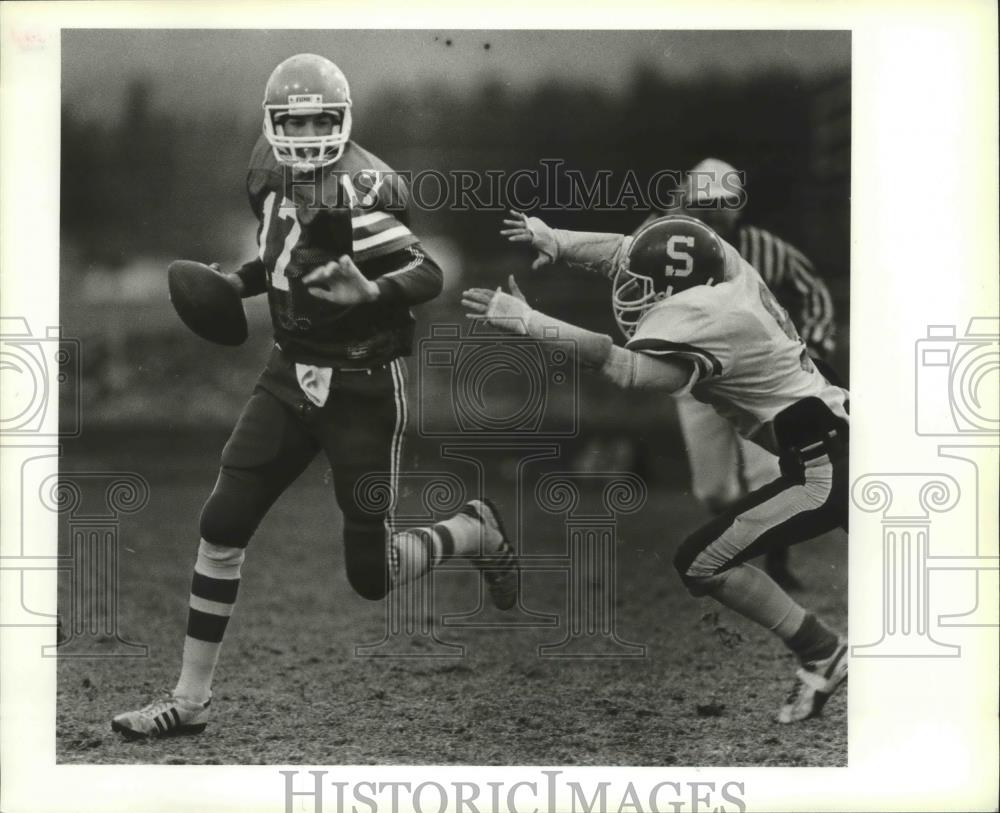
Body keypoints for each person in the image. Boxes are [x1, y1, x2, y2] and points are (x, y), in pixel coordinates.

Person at [111, 53, 517, 740]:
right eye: (291, 120)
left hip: (362, 387)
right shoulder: (268, 179)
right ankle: (190, 697)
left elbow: (429, 270)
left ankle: (473, 531)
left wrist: (373, 290)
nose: (303, 132)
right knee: (221, 522)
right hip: (289, 377)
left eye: (317, 119)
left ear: (342, 120)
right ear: (272, 124)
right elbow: (279, 260)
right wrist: (234, 283)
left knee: (372, 574)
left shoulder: (363, 190)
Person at [466, 214, 848, 723]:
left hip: (826, 460)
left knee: (701, 561)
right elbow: (626, 249)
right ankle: (825, 653)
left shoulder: (704, 316)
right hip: (841, 431)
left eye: (649, 289)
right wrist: (557, 241)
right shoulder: (728, 268)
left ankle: (821, 649)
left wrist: (525, 320)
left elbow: (627, 368)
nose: (632, 289)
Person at [644, 158, 838, 589]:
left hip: (759, 379)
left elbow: (814, 291)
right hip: (700, 383)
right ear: (689, 204)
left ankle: (775, 563)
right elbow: (635, 264)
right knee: (712, 490)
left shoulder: (763, 247)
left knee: (770, 473)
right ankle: (737, 541)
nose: (718, 211)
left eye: (726, 202)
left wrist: (814, 345)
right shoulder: (671, 241)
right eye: (706, 203)